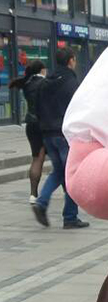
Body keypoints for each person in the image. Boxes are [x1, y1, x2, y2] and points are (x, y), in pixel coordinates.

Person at [32, 49, 88, 229]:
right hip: (65, 135)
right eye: (74, 60)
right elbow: (79, 108)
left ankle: (41, 203)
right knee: (71, 174)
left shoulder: (45, 82)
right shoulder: (71, 82)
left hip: (48, 134)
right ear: (70, 61)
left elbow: (36, 108)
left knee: (58, 171)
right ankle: (70, 217)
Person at [9, 60, 47, 204]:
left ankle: (33, 194)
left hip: (30, 125)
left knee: (36, 158)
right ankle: (65, 190)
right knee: (57, 158)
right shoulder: (45, 83)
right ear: (42, 70)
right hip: (44, 124)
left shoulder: (26, 84)